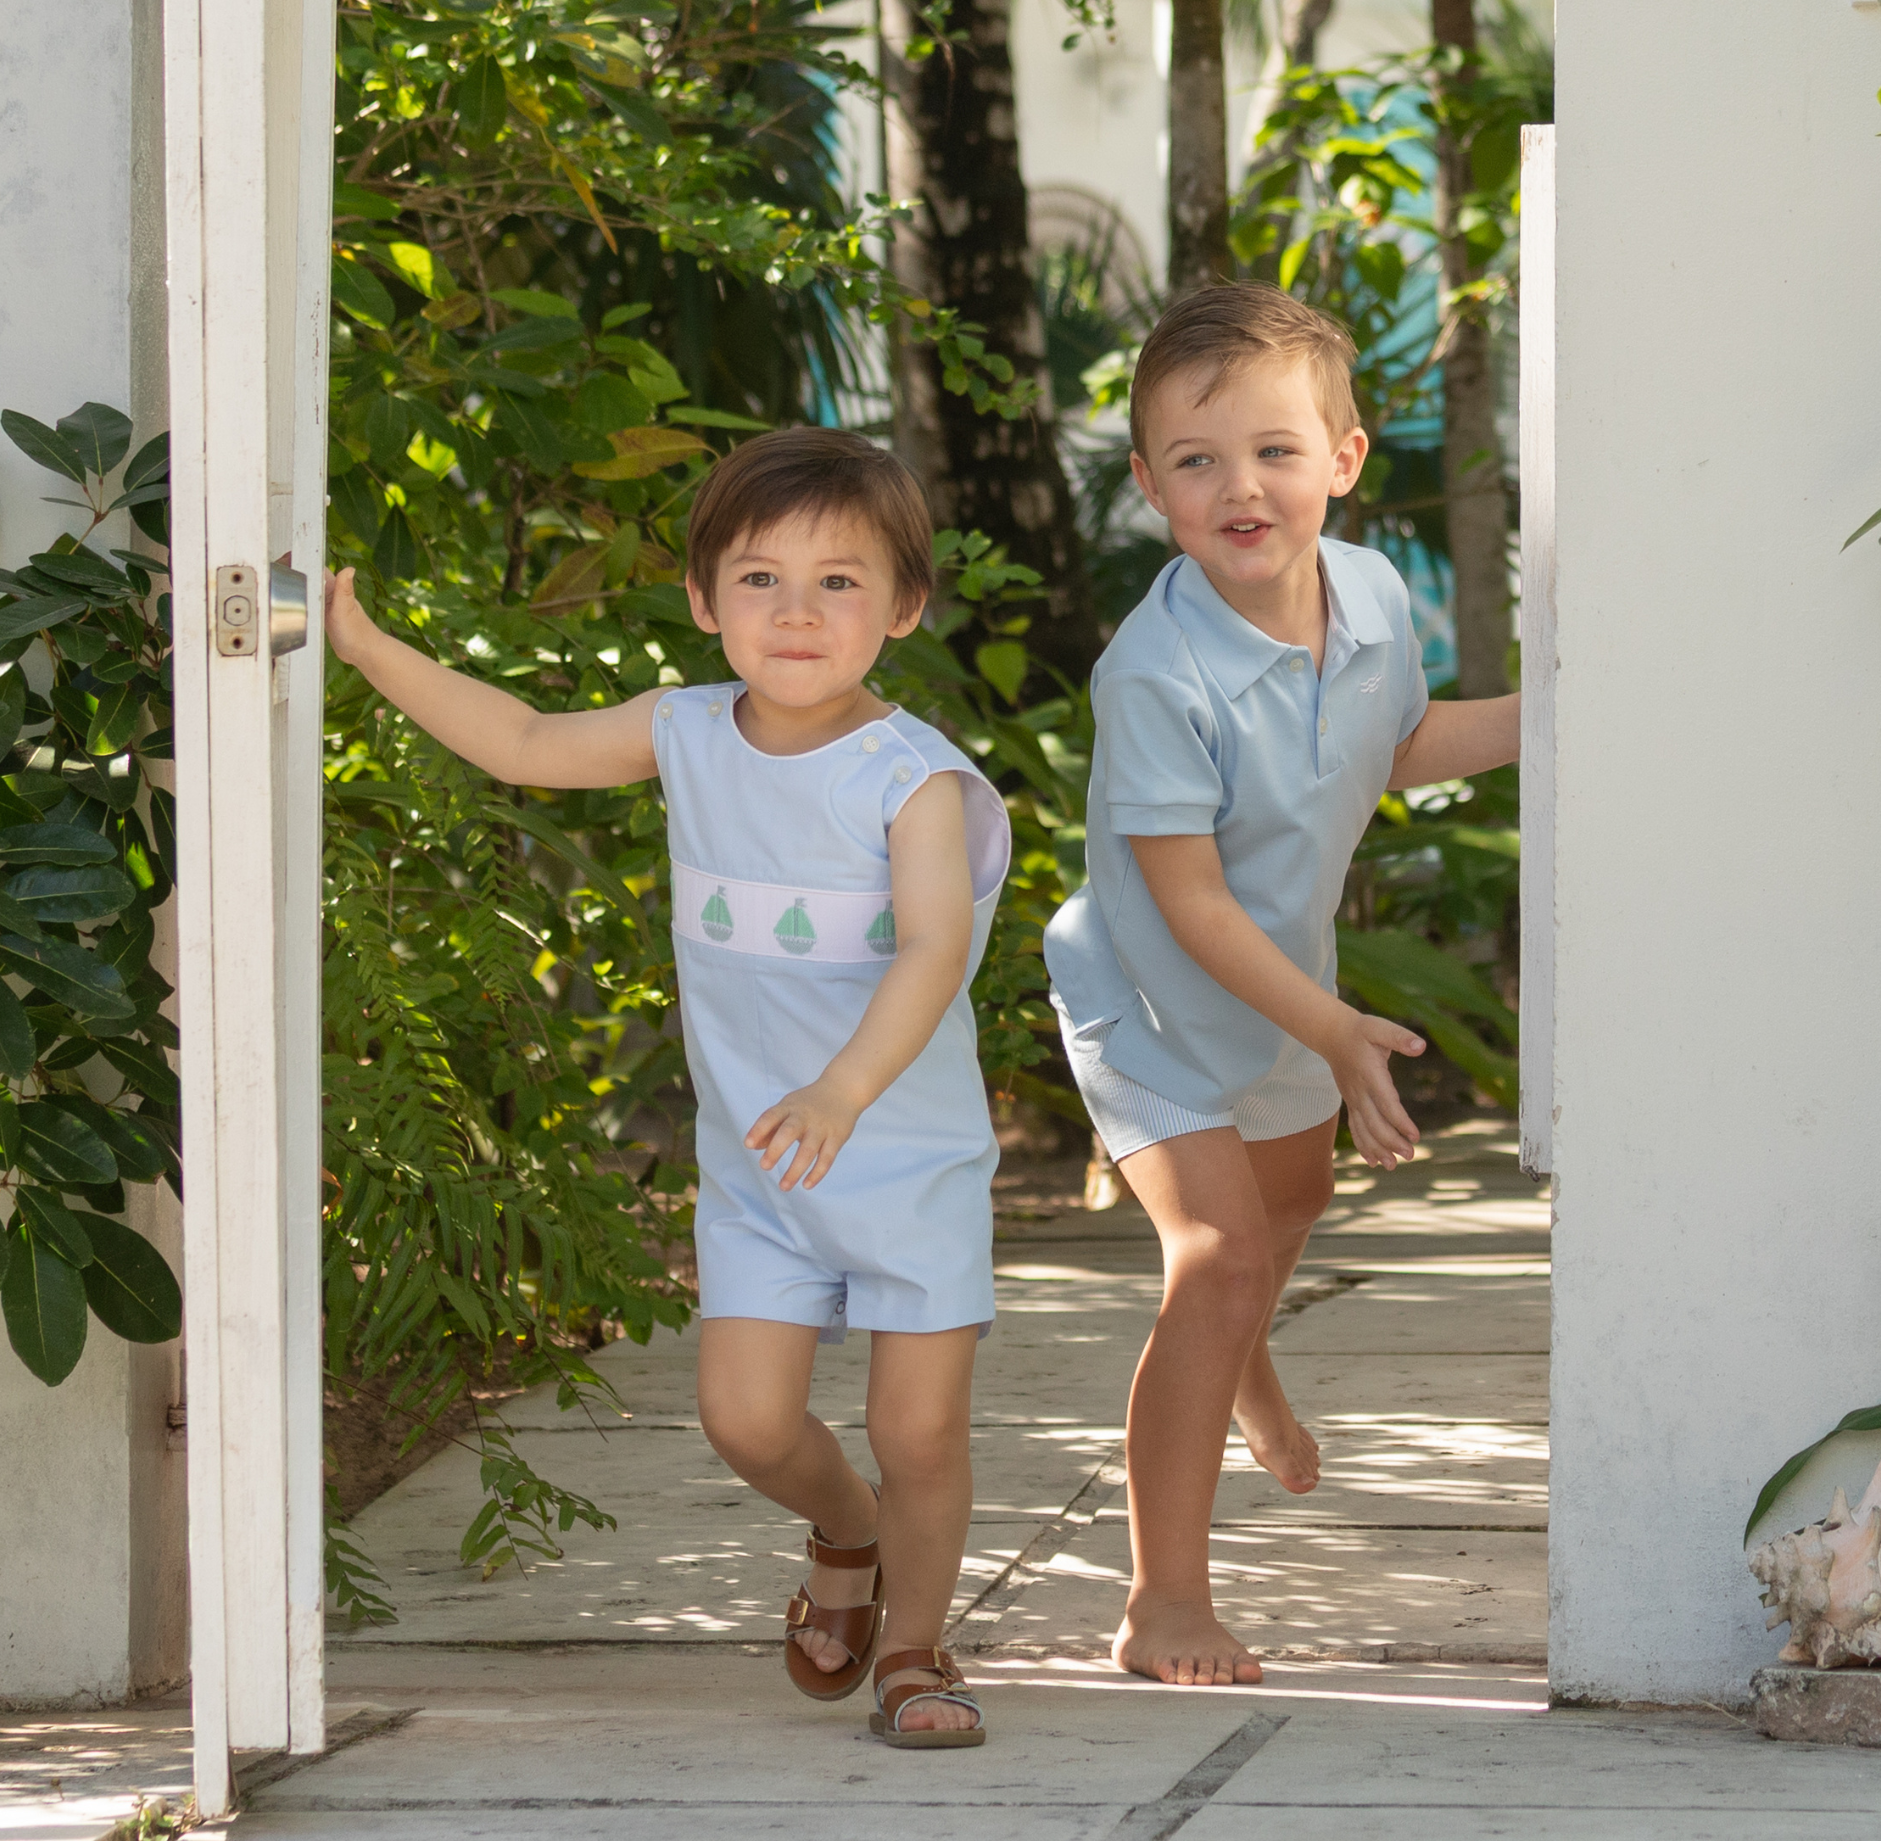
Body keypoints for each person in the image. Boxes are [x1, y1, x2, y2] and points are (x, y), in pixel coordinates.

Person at [324, 427, 1010, 1749]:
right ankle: (845, 1532)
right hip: (762, 1163)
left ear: (906, 608)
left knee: (918, 1428)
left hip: (901, 1154)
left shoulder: (910, 777)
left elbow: (933, 949)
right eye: (759, 579)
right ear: (703, 601)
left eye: (840, 583)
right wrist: (367, 650)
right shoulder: (686, 731)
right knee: (744, 1418)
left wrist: (844, 1088)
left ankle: (917, 1650)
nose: (795, 613)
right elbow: (522, 739)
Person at [1044, 284, 1520, 1688]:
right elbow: (1187, 904)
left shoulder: (1367, 593)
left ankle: (1242, 1352)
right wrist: (1333, 1027)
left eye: (1273, 452)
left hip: (1278, 981)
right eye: (1194, 462)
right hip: (1144, 988)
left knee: (1296, 1199)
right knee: (1222, 1255)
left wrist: (1564, 712)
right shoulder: (1158, 674)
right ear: (1147, 486)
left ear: (1344, 459)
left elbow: (1402, 744)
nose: (1238, 487)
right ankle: (1163, 1602)